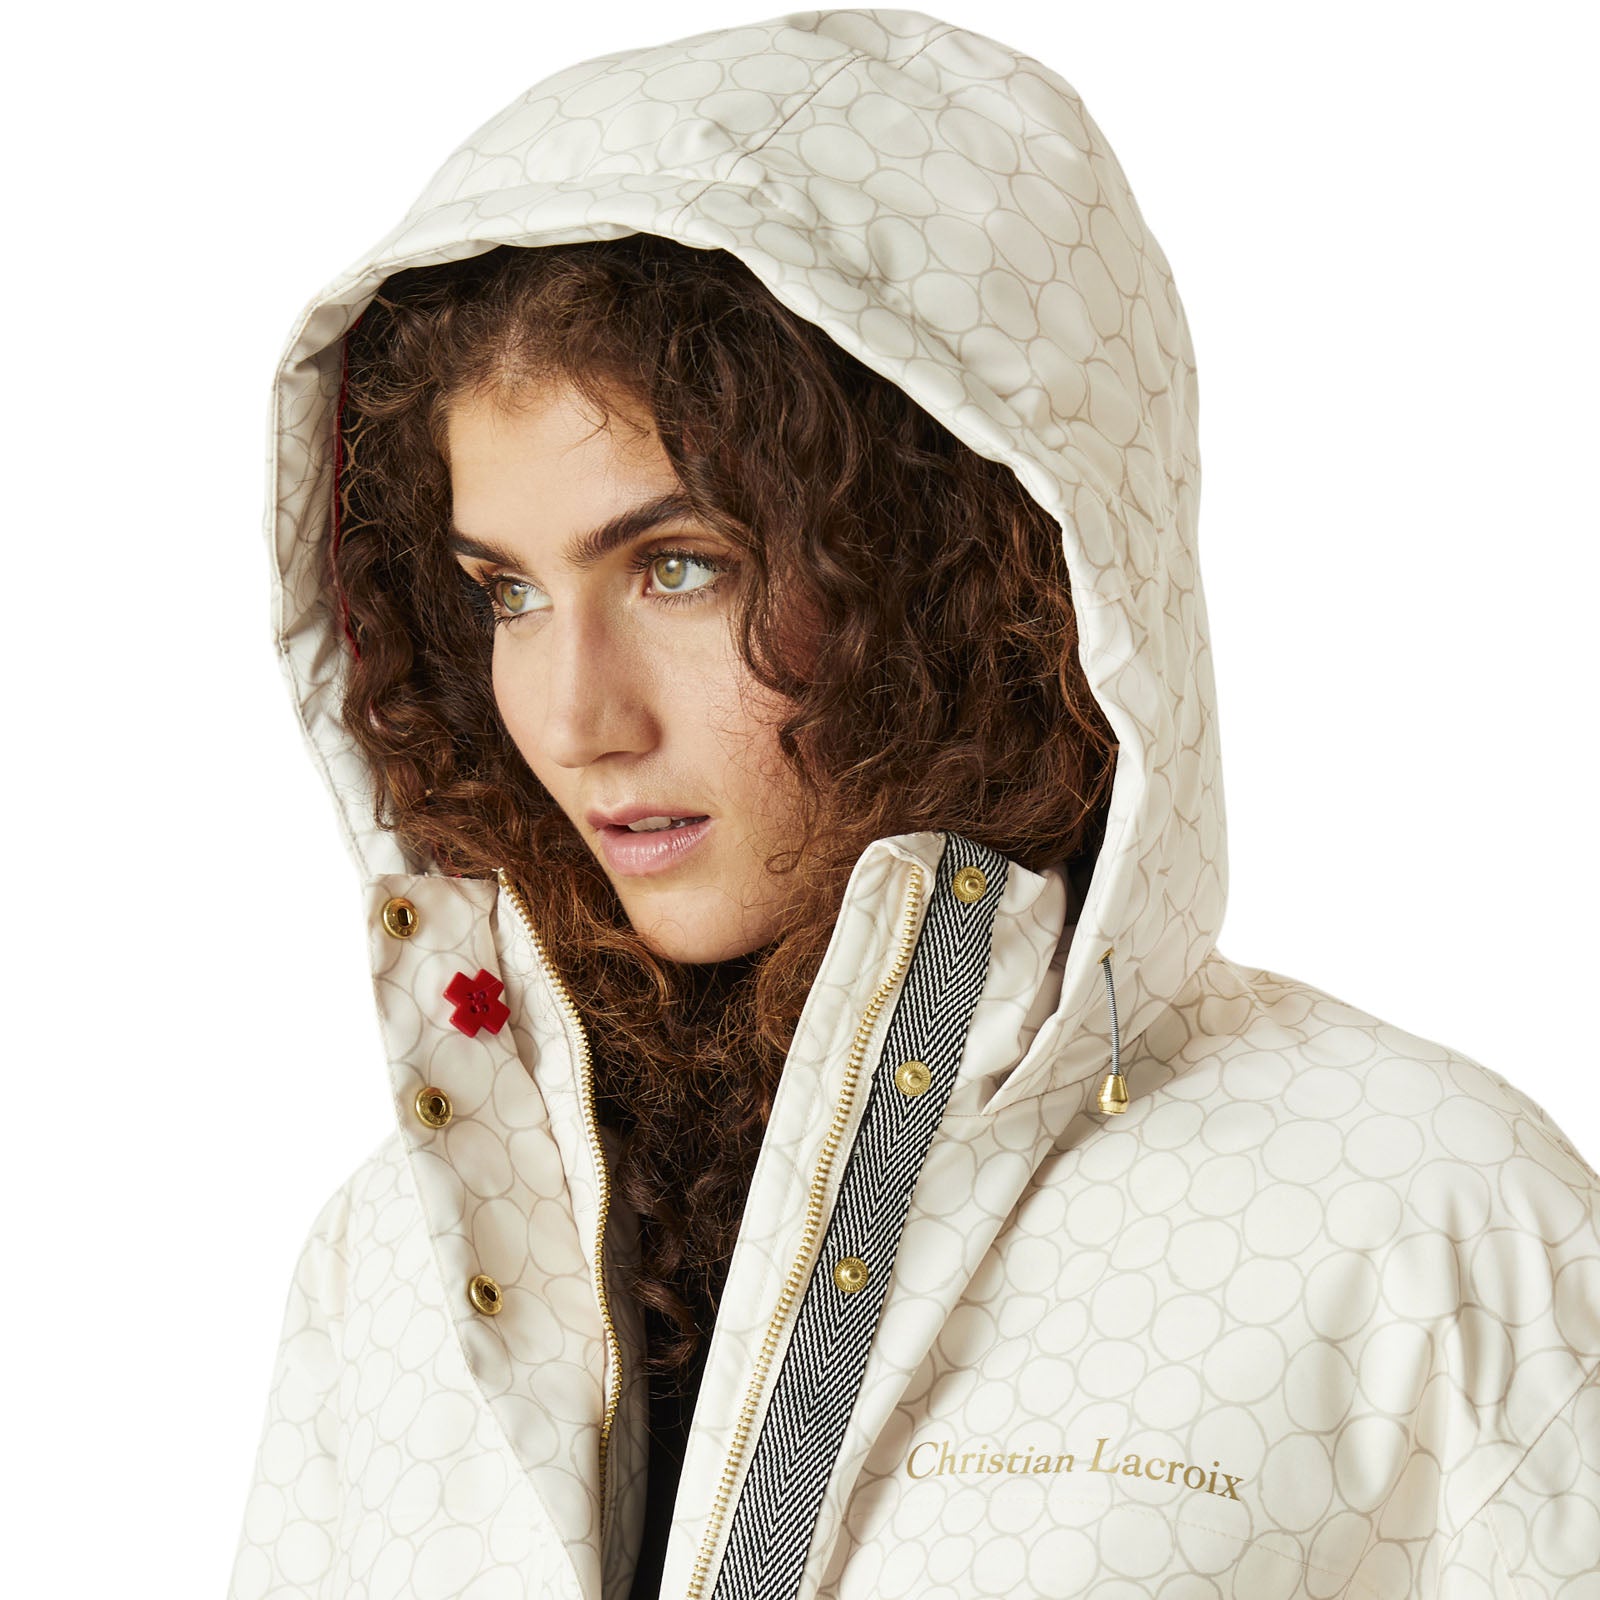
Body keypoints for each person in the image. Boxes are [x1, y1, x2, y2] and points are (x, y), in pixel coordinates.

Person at [226, 10, 1600, 1599]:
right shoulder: (397, 1272)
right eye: (508, 594)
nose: (577, 720)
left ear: (957, 562)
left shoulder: (1421, 1224)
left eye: (681, 567)